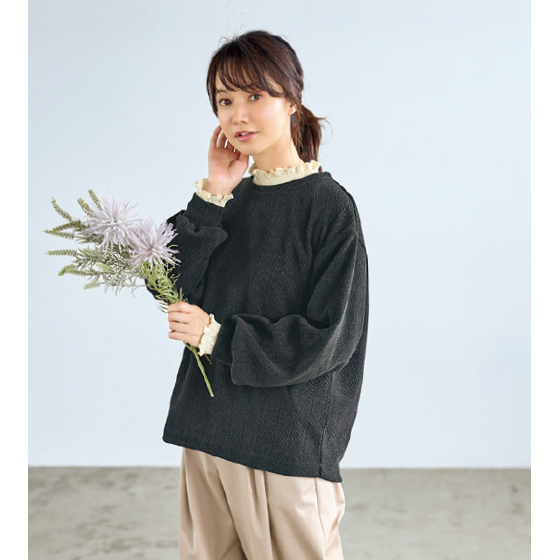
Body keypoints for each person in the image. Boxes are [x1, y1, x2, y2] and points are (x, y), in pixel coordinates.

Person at [146, 29, 369, 560]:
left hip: (282, 444)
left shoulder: (329, 208)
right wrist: (214, 192)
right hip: (208, 432)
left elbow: (329, 338)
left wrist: (216, 336)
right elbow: (169, 284)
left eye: (254, 95)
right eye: (225, 100)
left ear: (291, 100)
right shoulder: (226, 199)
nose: (238, 115)